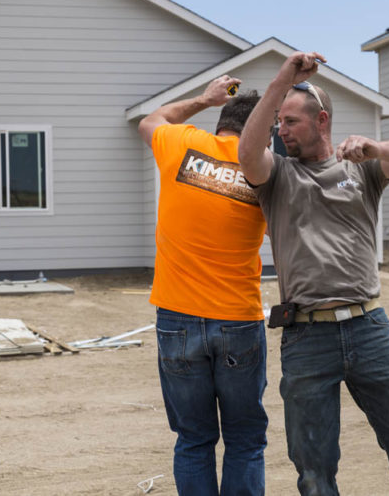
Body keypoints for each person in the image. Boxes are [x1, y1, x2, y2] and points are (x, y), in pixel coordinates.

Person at [238, 52, 389, 496]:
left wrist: (376, 148)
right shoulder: (277, 176)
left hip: (370, 329)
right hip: (307, 338)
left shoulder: (360, 170)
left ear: (321, 120)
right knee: (314, 471)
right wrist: (281, 81)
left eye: (290, 121)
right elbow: (247, 153)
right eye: (279, 122)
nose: (281, 130)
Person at [138, 75, 267, 496]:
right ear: (261, 130)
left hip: (177, 319)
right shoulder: (265, 169)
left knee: (193, 439)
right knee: (244, 440)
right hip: (237, 319)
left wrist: (205, 99)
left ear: (222, 122)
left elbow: (150, 120)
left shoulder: (182, 143)